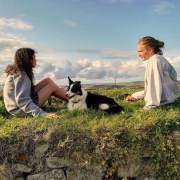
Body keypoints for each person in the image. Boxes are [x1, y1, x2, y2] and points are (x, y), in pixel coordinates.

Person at [3, 48, 67, 118]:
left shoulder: (18, 72)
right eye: (34, 58)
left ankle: (74, 98)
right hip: (20, 110)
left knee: (48, 80)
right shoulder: (21, 76)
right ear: (29, 60)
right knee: (51, 87)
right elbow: (22, 100)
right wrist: (43, 114)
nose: (36, 60)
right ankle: (78, 101)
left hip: (17, 107)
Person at [126, 36, 179, 110]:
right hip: (172, 97)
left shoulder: (154, 60)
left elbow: (155, 86)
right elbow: (153, 86)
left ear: (150, 49)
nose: (139, 54)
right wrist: (135, 96)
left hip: (167, 99)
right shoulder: (159, 59)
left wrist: (149, 107)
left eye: (140, 51)